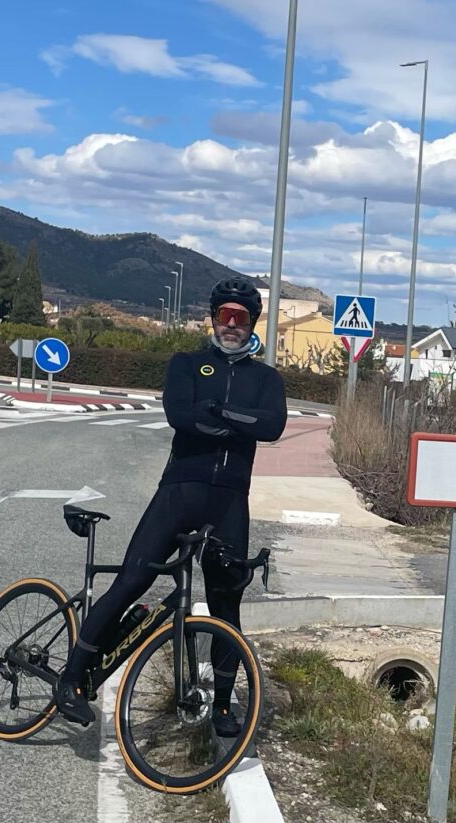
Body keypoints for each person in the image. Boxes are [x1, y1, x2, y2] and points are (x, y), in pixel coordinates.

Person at [54, 277, 287, 735]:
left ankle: (223, 707)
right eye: (224, 316)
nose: (231, 325)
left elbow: (273, 425)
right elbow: (181, 416)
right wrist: (237, 422)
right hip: (179, 492)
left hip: (229, 502)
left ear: (252, 323)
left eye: (240, 317)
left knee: (225, 603)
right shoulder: (186, 364)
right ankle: (71, 678)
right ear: (213, 319)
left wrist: (216, 412)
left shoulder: (266, 379)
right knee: (133, 580)